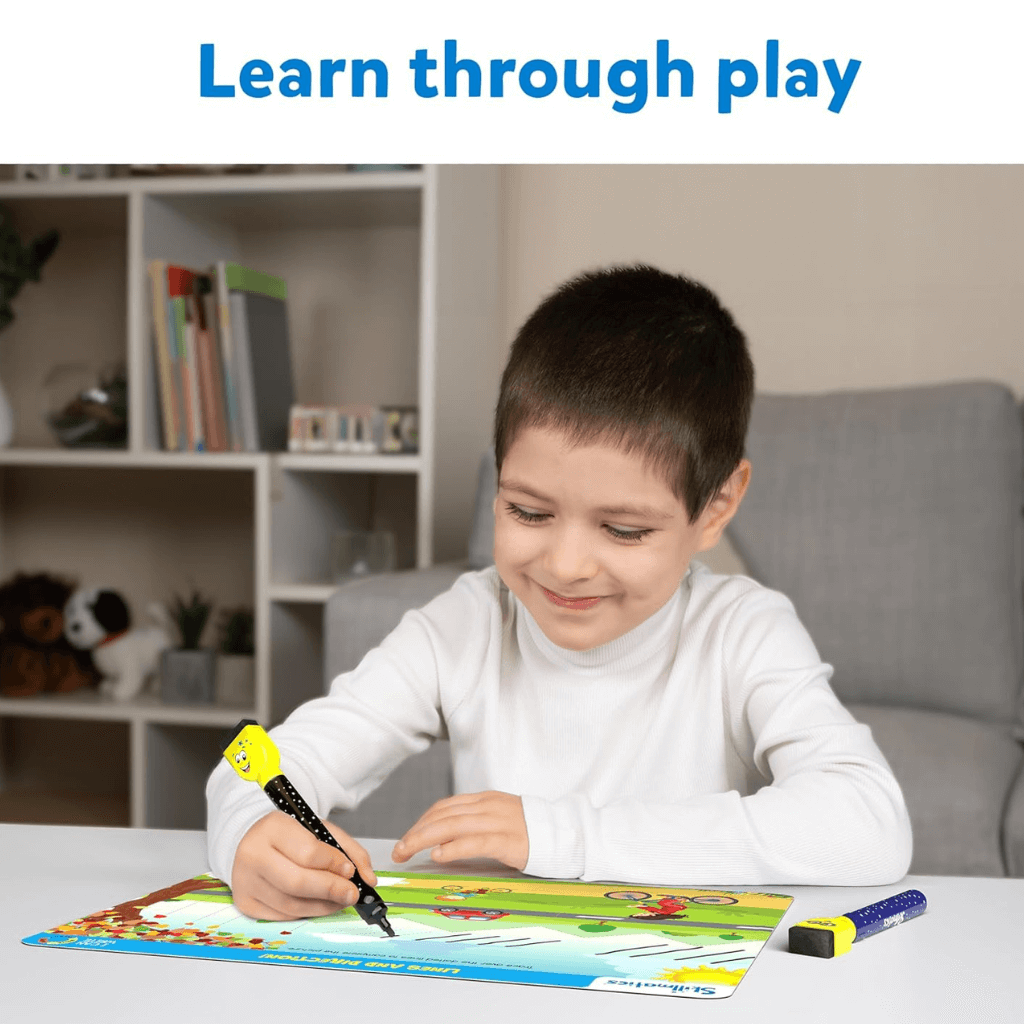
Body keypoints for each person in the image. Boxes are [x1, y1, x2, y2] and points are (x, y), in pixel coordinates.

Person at [206, 264, 912, 922]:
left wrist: (561, 833)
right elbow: (260, 764)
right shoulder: (468, 624)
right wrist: (250, 831)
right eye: (528, 512)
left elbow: (869, 822)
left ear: (716, 507)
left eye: (625, 529)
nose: (566, 566)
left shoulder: (741, 631)